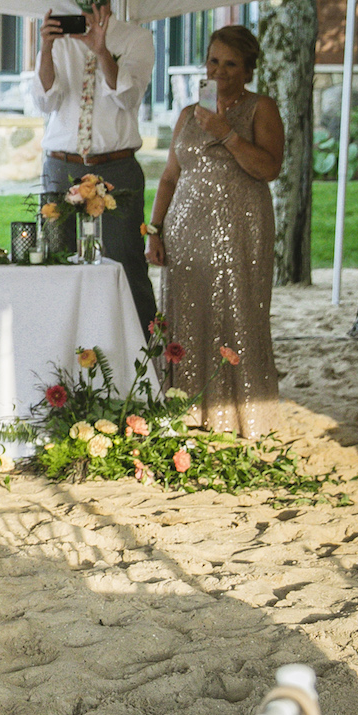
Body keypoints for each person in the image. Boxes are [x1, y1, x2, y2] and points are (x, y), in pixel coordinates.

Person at [147, 26, 284, 437]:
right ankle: (186, 408)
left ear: (247, 70)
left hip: (239, 228)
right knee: (186, 313)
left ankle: (238, 414)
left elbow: (269, 168)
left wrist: (226, 134)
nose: (219, 72)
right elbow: (170, 176)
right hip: (186, 227)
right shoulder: (189, 113)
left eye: (230, 63)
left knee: (236, 313)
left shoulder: (262, 108)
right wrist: (154, 229)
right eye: (213, 61)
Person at [32, 0, 157, 332]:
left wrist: (102, 50)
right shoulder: (59, 38)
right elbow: (44, 100)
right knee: (57, 261)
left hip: (115, 166)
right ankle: (62, 346)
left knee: (125, 261)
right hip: (62, 165)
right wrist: (48, 48)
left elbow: (128, 96)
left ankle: (145, 354)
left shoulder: (135, 38)